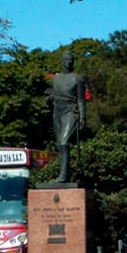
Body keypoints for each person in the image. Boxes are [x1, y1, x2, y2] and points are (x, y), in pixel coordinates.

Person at [49, 51, 86, 183]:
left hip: (70, 111)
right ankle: (62, 174)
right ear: (62, 61)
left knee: (64, 142)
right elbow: (55, 94)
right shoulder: (56, 78)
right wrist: (50, 98)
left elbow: (81, 100)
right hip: (57, 111)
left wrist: (82, 117)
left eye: (71, 60)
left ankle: (64, 175)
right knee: (59, 144)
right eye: (66, 59)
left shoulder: (78, 78)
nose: (68, 62)